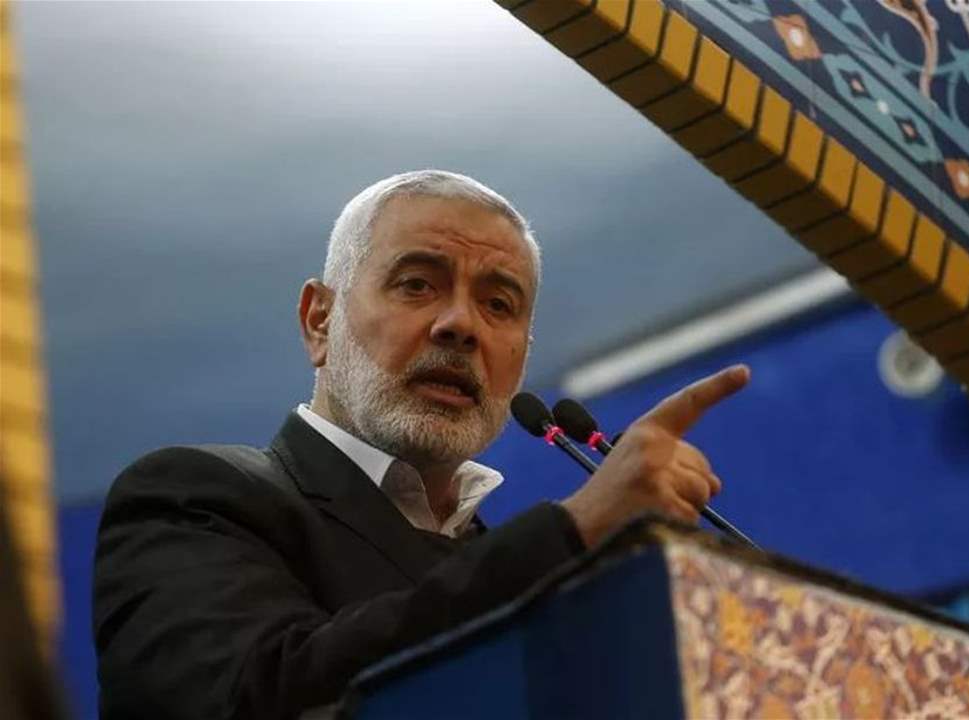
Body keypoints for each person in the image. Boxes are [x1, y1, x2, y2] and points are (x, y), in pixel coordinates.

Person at [92, 170, 749, 719]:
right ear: (319, 321)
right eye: (417, 284)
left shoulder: (517, 564)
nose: (461, 325)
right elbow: (250, 699)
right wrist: (572, 531)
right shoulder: (195, 497)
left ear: (521, 358)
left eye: (499, 305)